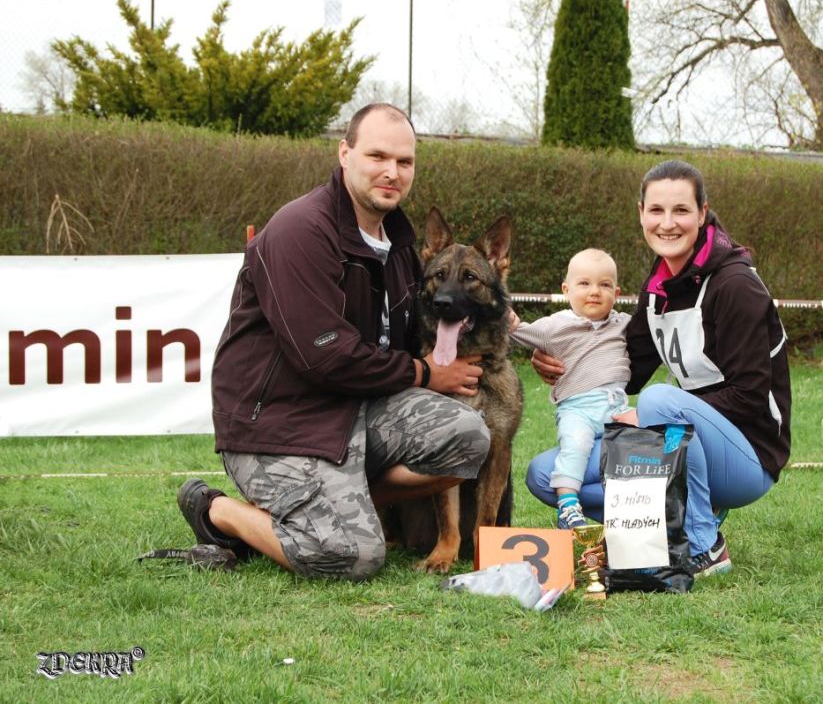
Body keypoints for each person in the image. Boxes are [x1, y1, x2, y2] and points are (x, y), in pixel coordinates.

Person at [176, 103, 491, 581]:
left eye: (404, 162)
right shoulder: (299, 230)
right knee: (352, 557)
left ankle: (332, 508)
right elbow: (323, 357)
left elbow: (418, 327)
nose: (392, 172)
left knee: (469, 438)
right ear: (345, 153)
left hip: (357, 411)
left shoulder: (399, 244)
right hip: (281, 424)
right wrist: (425, 373)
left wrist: (500, 320)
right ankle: (217, 510)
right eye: (377, 156)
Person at [525, 160, 791, 578]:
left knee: (658, 399)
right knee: (545, 474)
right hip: (683, 434)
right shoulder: (659, 283)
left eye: (681, 210)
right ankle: (662, 527)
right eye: (656, 211)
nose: (667, 223)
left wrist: (650, 415)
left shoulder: (736, 286)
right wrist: (561, 359)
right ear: (641, 213)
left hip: (748, 456)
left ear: (703, 213)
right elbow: (626, 367)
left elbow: (749, 396)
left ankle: (706, 545)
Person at [509, 248, 632, 531]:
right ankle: (568, 505)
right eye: (584, 283)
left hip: (616, 406)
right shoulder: (556, 325)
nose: (595, 292)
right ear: (566, 289)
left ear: (617, 291)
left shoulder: (623, 323)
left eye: (604, 285)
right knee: (575, 447)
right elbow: (519, 331)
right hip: (579, 408)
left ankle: (641, 511)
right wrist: (504, 315)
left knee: (643, 442)